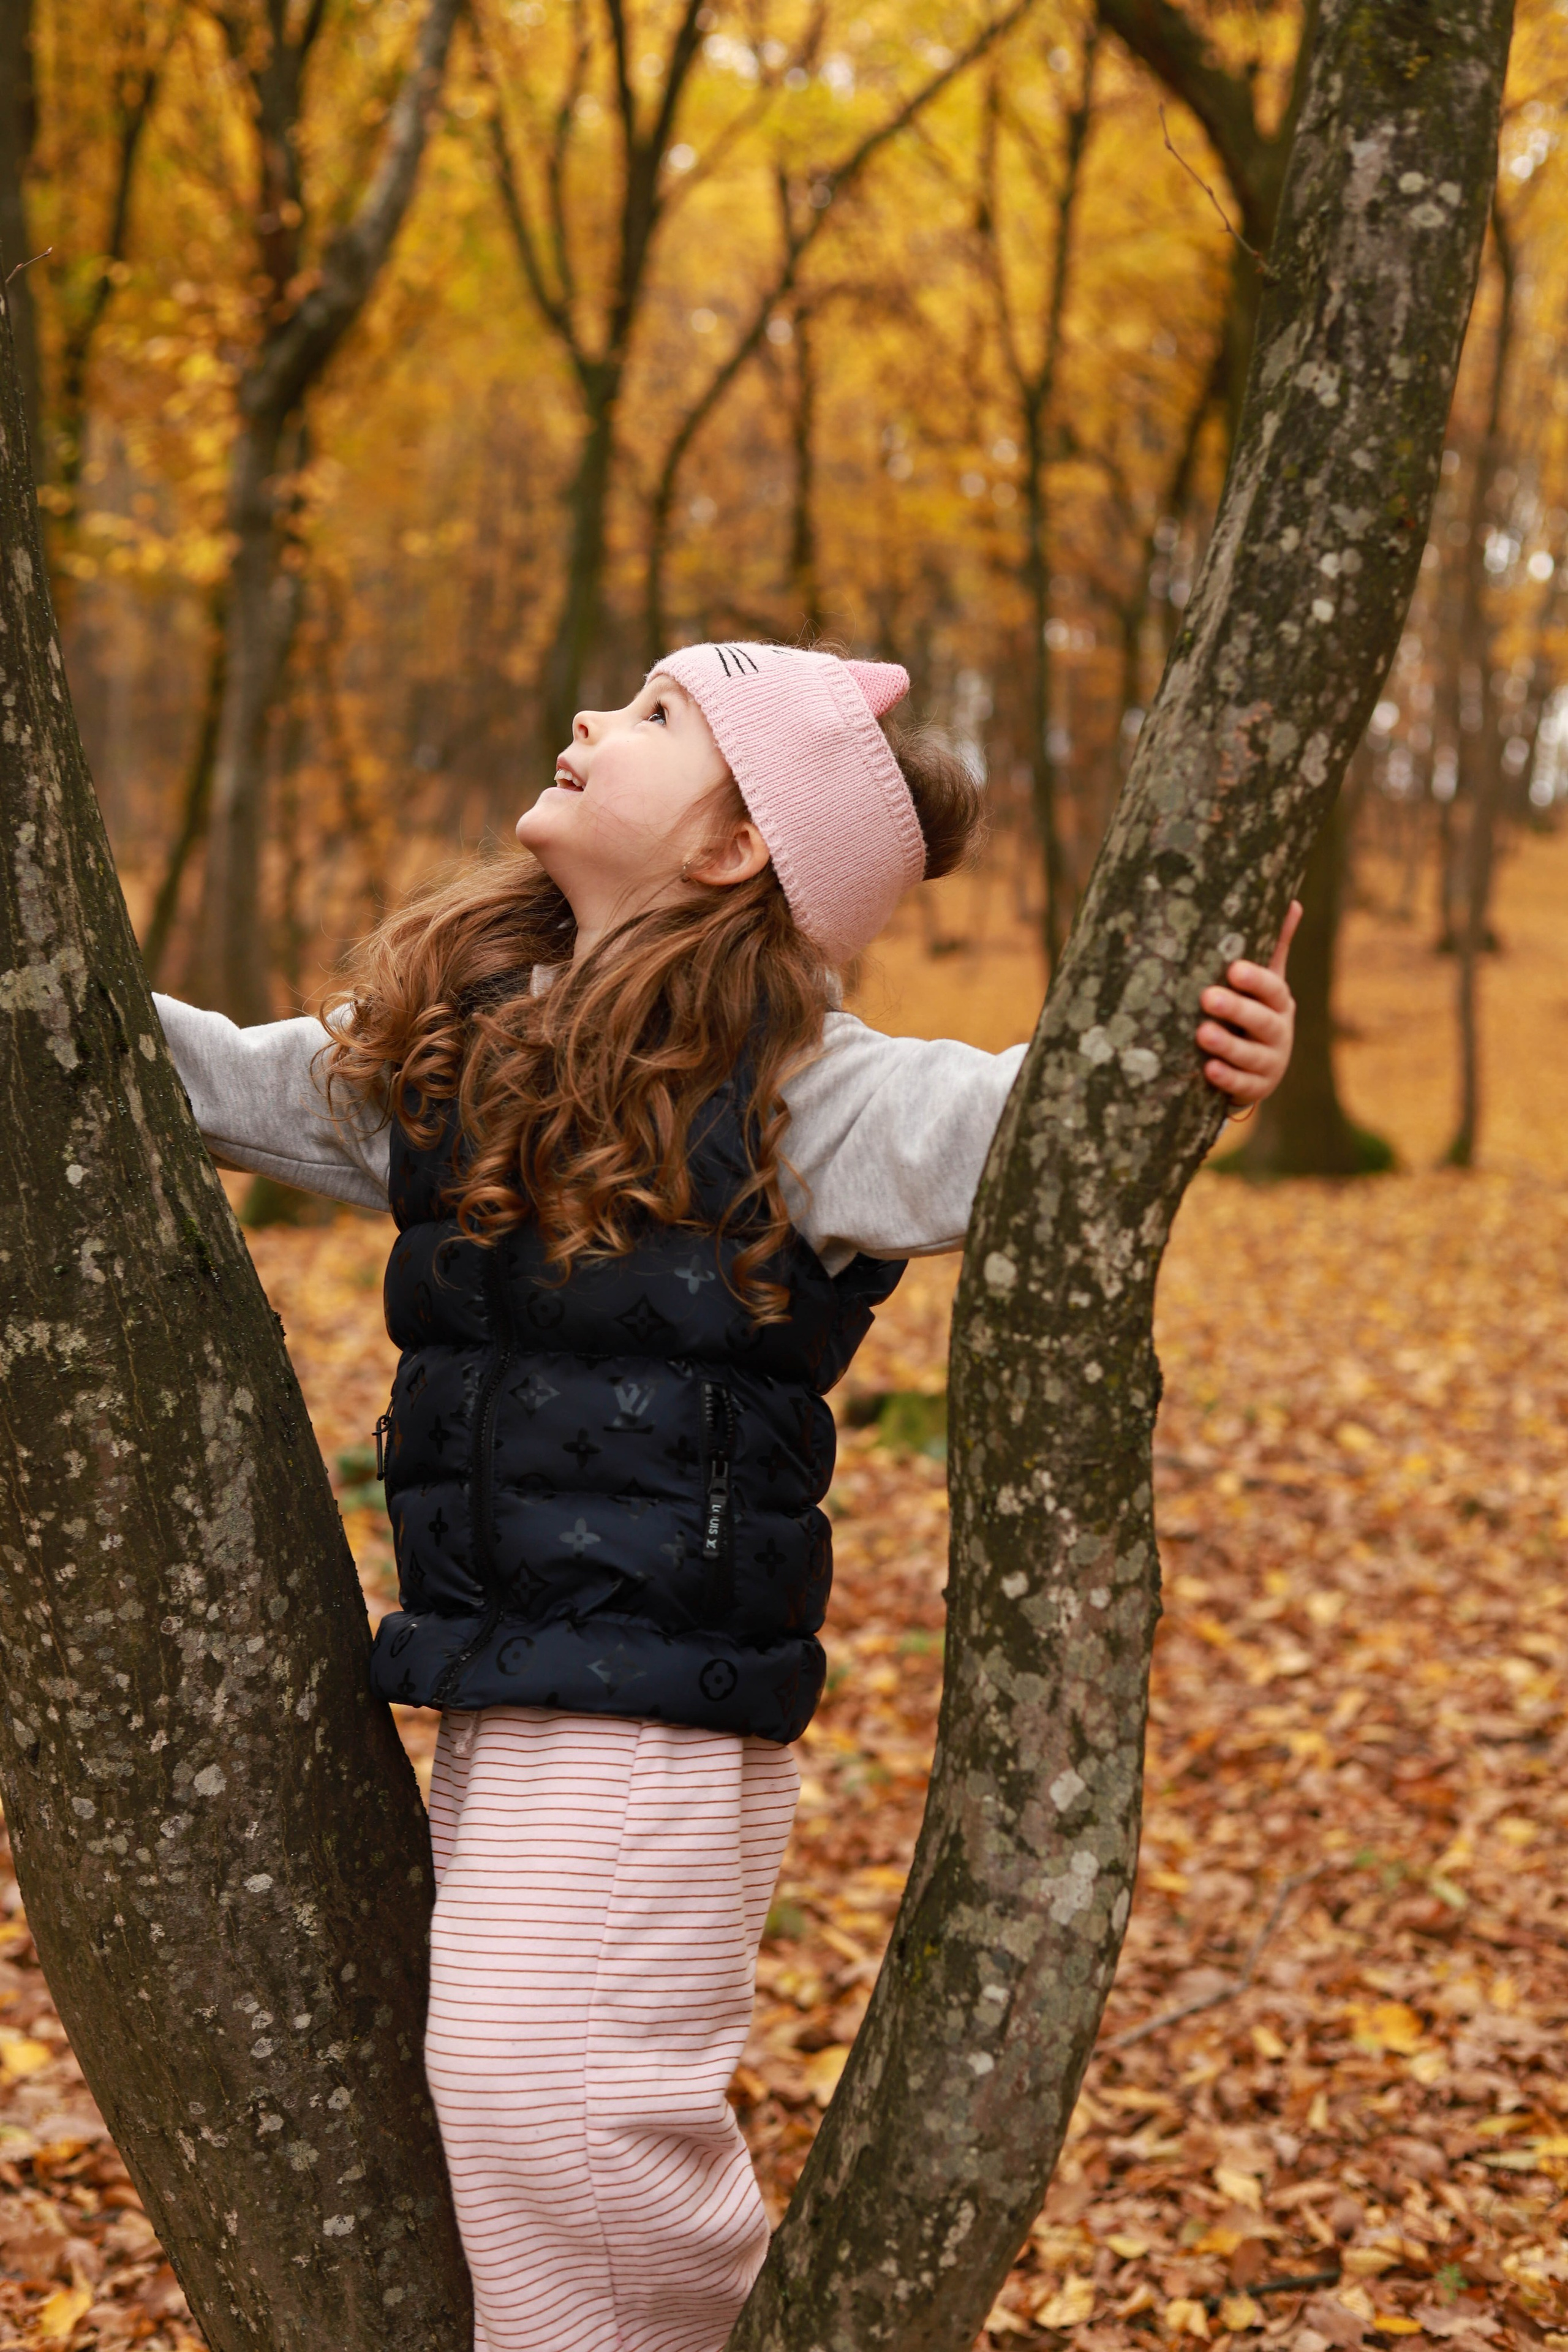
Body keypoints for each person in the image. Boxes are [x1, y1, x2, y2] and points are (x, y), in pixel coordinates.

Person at [154, 642, 1298, 2352]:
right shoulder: (469, 1056)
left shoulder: (806, 1094)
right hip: (500, 1670)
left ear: (735, 848)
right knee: (516, 2108)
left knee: (558, 2097)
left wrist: (1203, 1055)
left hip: (656, 1702)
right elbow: (220, 1082)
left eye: (660, 716)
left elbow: (1022, 1121)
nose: (597, 720)